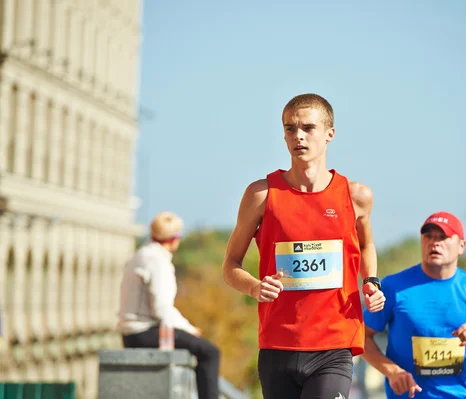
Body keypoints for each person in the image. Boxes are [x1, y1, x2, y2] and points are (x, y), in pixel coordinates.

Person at [222, 93, 385, 399]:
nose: (298, 136)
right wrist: (255, 288)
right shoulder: (261, 194)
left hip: (333, 345)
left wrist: (371, 281)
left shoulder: (356, 196)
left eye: (308, 128)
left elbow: (367, 245)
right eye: (289, 128)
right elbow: (230, 264)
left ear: (329, 134)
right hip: (277, 344)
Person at [362, 211, 466, 398]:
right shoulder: (394, 287)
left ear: (461, 246)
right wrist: (392, 371)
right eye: (428, 236)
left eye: (443, 237)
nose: (434, 242)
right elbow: (361, 337)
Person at [117, 211, 220, 399]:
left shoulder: (141, 254)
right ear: (174, 239)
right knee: (209, 352)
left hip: (131, 333)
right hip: (144, 333)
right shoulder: (157, 261)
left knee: (200, 348)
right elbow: (161, 309)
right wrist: (188, 329)